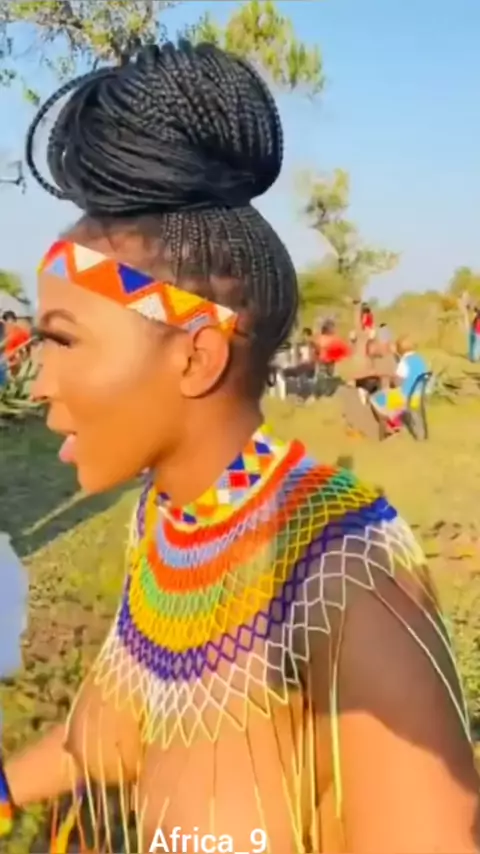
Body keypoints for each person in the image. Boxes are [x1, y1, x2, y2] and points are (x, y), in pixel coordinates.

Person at [2, 40, 479, 854]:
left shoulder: (347, 580)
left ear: (195, 357)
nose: (39, 382)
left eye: (65, 340)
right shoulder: (167, 522)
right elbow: (122, 726)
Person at [371, 336, 428, 423]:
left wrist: (391, 379)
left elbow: (397, 383)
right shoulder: (420, 359)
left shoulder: (404, 362)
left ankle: (391, 420)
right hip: (421, 397)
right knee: (389, 394)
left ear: (399, 350)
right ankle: (395, 416)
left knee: (376, 398)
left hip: (407, 398)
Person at [2, 311, 30, 377]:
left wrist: (26, 355)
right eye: (7, 322)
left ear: (15, 321)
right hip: (8, 357)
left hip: (16, 356)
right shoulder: (5, 333)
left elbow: (27, 345)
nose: (10, 324)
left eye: (11, 321)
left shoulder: (21, 332)